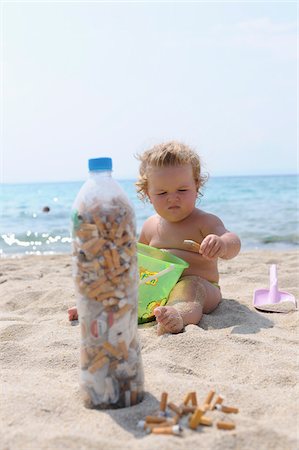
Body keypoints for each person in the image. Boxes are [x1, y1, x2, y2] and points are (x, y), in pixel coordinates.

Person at [135, 141, 241, 335]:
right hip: (159, 291)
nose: (172, 198)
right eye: (162, 192)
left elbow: (233, 241)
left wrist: (222, 244)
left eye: (182, 190)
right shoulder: (150, 226)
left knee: (191, 286)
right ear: (148, 194)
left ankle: (178, 315)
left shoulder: (204, 222)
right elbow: (136, 261)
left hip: (203, 289)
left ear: (196, 186)